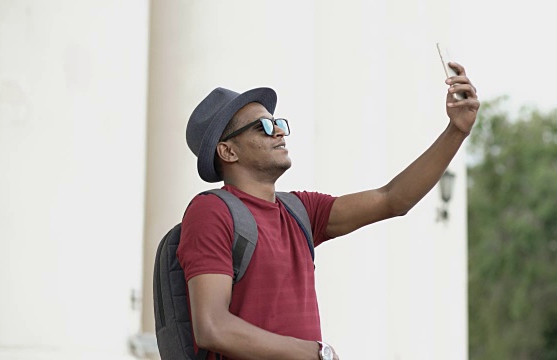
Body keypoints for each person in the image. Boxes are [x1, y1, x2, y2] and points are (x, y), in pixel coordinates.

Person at [177, 62, 479, 360]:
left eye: (279, 123)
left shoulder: (300, 210)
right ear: (228, 151)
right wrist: (314, 352)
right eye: (264, 127)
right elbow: (212, 327)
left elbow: (392, 199)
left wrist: (456, 131)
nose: (280, 133)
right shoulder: (210, 212)